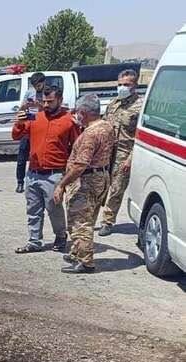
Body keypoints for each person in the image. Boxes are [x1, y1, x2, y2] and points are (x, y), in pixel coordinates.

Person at [12, 86, 79, 254]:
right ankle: (34, 241)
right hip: (33, 173)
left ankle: (61, 236)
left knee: (54, 209)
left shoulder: (69, 120)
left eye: (50, 101)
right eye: (44, 101)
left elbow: (76, 146)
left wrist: (70, 174)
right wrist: (19, 122)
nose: (46, 105)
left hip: (54, 174)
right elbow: (16, 135)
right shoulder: (35, 116)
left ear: (60, 100)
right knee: (33, 209)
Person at [52, 94, 115, 274]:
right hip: (101, 177)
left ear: (84, 112)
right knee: (89, 217)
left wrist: (62, 185)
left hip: (86, 182)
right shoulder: (107, 127)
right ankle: (76, 252)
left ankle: (85, 262)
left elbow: (80, 165)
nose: (76, 115)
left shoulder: (90, 134)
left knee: (80, 222)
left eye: (77, 112)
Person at [98, 69, 143, 237]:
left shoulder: (140, 106)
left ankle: (107, 221)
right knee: (100, 185)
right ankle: (91, 217)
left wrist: (130, 159)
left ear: (135, 85)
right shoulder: (113, 103)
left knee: (116, 189)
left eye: (126, 84)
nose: (122, 87)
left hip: (125, 153)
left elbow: (140, 136)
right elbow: (103, 125)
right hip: (107, 152)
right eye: (120, 84)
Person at [15, 73, 47, 193]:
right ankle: (20, 182)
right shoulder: (29, 93)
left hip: (42, 127)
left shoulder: (48, 93)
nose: (37, 88)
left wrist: (41, 106)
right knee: (22, 156)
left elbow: (50, 110)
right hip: (29, 126)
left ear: (43, 82)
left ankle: (41, 179)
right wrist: (24, 106)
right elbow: (21, 110)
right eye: (34, 86)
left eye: (38, 85)